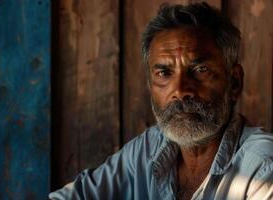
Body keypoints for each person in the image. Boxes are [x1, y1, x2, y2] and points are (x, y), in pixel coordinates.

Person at [49, 2, 273, 200]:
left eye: (200, 70)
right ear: (150, 86)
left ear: (234, 83)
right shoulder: (149, 148)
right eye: (164, 73)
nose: (180, 91)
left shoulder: (263, 168)